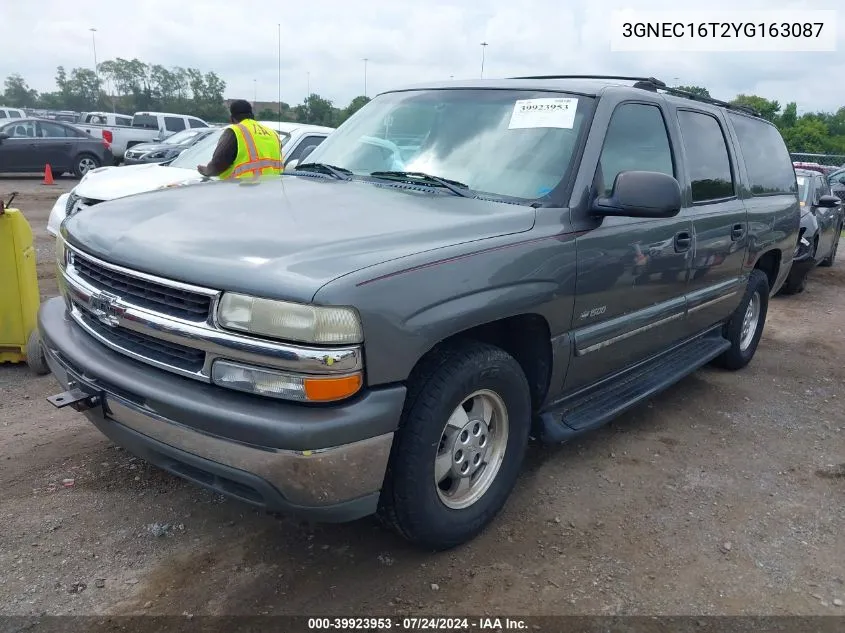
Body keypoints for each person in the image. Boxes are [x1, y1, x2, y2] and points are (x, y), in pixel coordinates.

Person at [197, 99, 283, 179]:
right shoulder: (273, 133)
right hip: (272, 190)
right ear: (252, 116)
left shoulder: (236, 131)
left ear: (232, 118)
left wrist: (206, 171)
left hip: (243, 190)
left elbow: (218, 163)